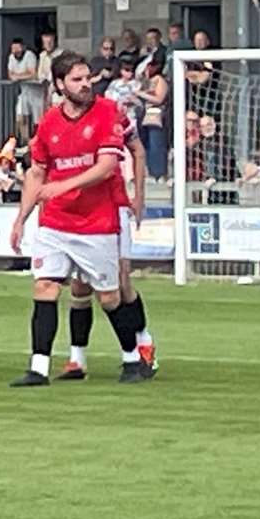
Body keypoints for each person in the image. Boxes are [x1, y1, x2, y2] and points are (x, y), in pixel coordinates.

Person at [7, 51, 152, 387]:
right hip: (55, 222)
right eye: (77, 79)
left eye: (87, 78)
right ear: (60, 84)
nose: (86, 84)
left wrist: (60, 187)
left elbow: (105, 168)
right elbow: (37, 173)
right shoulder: (48, 123)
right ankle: (39, 367)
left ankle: (133, 357)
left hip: (97, 219)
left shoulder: (107, 113)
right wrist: (21, 219)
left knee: (111, 295)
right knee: (45, 287)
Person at [57, 89, 158, 382]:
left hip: (112, 208)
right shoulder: (56, 118)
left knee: (121, 283)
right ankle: (77, 359)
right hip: (75, 212)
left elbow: (136, 148)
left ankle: (144, 344)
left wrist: (139, 195)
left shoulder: (110, 112)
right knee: (78, 287)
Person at [135, 56, 170, 181]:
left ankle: (159, 173)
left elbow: (159, 99)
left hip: (156, 116)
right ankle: (150, 171)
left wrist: (141, 94)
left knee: (156, 144)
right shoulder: (145, 82)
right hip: (143, 116)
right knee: (146, 144)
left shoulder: (159, 80)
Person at [6, 36, 43, 143]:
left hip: (36, 92)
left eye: (18, 48)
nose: (16, 51)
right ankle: (26, 142)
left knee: (38, 121)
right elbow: (10, 74)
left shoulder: (29, 55)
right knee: (20, 118)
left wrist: (18, 76)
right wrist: (21, 75)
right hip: (24, 92)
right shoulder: (11, 57)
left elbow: (32, 73)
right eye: (13, 49)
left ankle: (38, 142)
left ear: (23, 47)